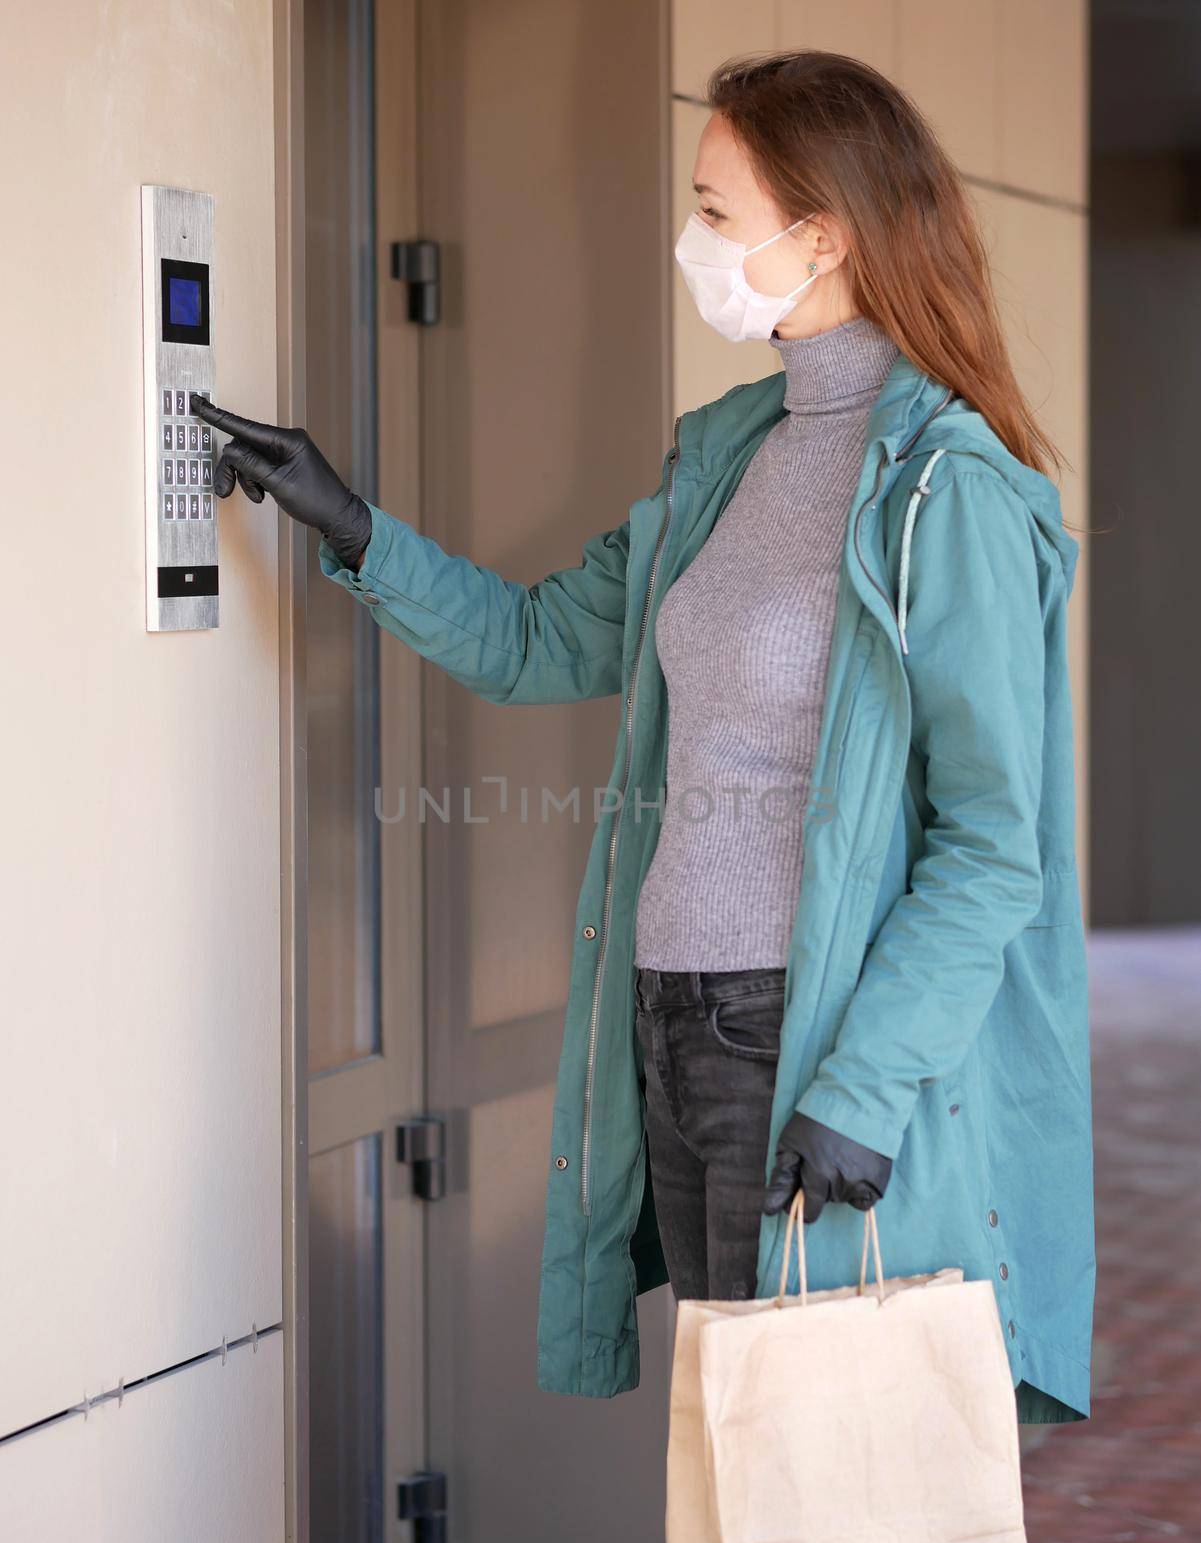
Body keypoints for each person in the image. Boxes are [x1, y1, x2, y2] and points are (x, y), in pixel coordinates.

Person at [190, 48, 1094, 1426]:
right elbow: (540, 639)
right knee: (734, 1449)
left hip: (803, 1028)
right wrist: (350, 524)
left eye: (716, 216)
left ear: (821, 237)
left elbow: (990, 847)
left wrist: (860, 1085)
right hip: (669, 1013)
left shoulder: (946, 493)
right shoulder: (728, 450)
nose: (692, 245)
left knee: (818, 1457)